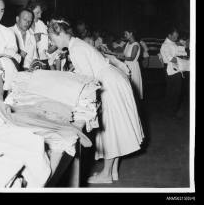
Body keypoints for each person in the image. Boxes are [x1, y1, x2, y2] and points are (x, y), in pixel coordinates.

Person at [47, 17, 144, 184]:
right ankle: (112, 171)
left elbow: (88, 80)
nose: (51, 41)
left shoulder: (75, 48)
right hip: (113, 80)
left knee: (111, 128)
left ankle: (106, 174)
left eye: (51, 37)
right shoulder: (76, 44)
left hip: (109, 84)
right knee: (115, 127)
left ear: (60, 33)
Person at [160, 28, 188, 118]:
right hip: (171, 71)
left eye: (177, 36)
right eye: (175, 36)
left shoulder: (173, 43)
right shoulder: (165, 45)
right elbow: (170, 58)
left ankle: (171, 111)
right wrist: (185, 61)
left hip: (176, 69)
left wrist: (183, 56)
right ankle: (170, 112)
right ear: (169, 35)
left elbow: (179, 53)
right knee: (173, 92)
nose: (177, 37)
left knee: (175, 92)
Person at [113, 30, 143, 100]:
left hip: (133, 67)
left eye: (126, 34)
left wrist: (121, 57)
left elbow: (132, 58)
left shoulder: (135, 45)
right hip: (126, 65)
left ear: (131, 33)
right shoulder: (128, 43)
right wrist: (111, 53)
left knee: (133, 86)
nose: (124, 35)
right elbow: (123, 54)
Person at [26, 0, 50, 69]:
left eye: (41, 13)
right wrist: (33, 39)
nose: (40, 16)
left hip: (43, 61)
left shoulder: (40, 24)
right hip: (28, 62)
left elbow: (47, 44)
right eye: (37, 13)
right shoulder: (23, 26)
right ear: (29, 10)